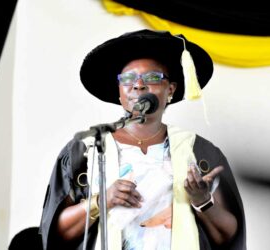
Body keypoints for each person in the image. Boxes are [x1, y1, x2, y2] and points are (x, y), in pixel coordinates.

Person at [39, 29, 246, 250]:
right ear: (119, 92)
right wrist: (102, 200)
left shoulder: (199, 151)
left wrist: (202, 201)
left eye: (152, 77)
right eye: (128, 78)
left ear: (171, 90)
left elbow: (227, 235)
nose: (139, 85)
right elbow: (57, 233)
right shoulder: (87, 150)